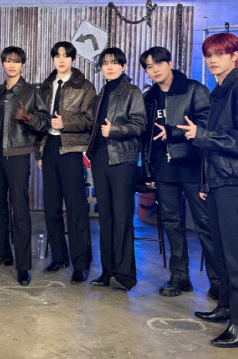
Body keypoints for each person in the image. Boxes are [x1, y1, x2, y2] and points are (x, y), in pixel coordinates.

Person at [177, 32, 238, 348]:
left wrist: (202, 135)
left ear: (236, 55)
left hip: (233, 182)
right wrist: (207, 182)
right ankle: (226, 308)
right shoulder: (220, 91)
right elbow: (217, 145)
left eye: (220, 53)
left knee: (235, 255)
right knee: (219, 250)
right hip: (219, 181)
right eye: (209, 55)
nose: (213, 60)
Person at [140, 46, 219, 299]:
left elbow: (207, 125)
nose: (154, 70)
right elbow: (146, 138)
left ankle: (218, 282)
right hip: (164, 169)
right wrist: (148, 170)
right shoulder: (150, 97)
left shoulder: (194, 89)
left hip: (192, 166)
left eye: (158, 64)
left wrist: (174, 132)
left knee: (205, 225)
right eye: (149, 67)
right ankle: (179, 277)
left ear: (169, 63)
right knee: (172, 225)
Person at [0, 46, 50, 286]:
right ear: (2, 63)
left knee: (20, 210)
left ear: (23, 64)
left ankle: (23, 265)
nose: (12, 64)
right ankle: (1, 253)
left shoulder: (31, 92)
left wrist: (29, 118)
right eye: (8, 60)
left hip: (19, 156)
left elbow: (45, 122)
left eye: (16, 61)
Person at [86, 47, 147, 292]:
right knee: (106, 218)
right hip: (100, 158)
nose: (109, 67)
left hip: (123, 159)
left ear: (123, 66)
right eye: (105, 63)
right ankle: (108, 271)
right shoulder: (101, 93)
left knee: (122, 217)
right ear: (101, 68)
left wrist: (115, 131)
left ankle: (125, 275)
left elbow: (140, 124)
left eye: (114, 62)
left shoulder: (131, 91)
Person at [38, 41, 96, 284]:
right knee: (51, 207)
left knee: (75, 208)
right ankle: (59, 257)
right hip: (49, 148)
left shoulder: (85, 86)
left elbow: (91, 120)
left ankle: (81, 264)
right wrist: (39, 153)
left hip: (71, 148)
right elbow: (40, 120)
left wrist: (66, 123)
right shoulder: (46, 86)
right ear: (53, 59)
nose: (61, 60)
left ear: (73, 59)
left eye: (66, 56)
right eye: (57, 56)